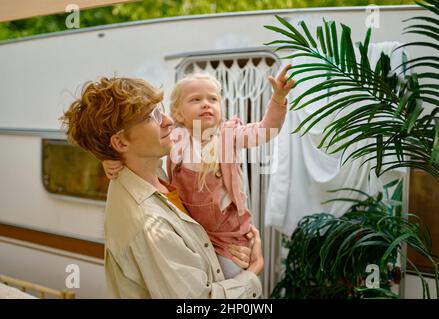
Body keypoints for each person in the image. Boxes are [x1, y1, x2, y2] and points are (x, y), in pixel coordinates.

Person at [61, 77, 264, 298]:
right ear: (120, 143)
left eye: (160, 110)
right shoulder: (150, 227)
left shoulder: (147, 172)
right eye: (152, 117)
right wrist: (253, 271)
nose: (168, 121)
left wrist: (107, 157)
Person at [103, 65, 294, 279]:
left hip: (227, 236)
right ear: (177, 113)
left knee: (231, 279)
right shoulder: (173, 139)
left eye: (213, 99)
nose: (206, 104)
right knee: (199, 277)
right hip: (191, 232)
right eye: (195, 99)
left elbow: (266, 129)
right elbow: (136, 150)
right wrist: (110, 159)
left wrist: (278, 99)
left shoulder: (229, 135)